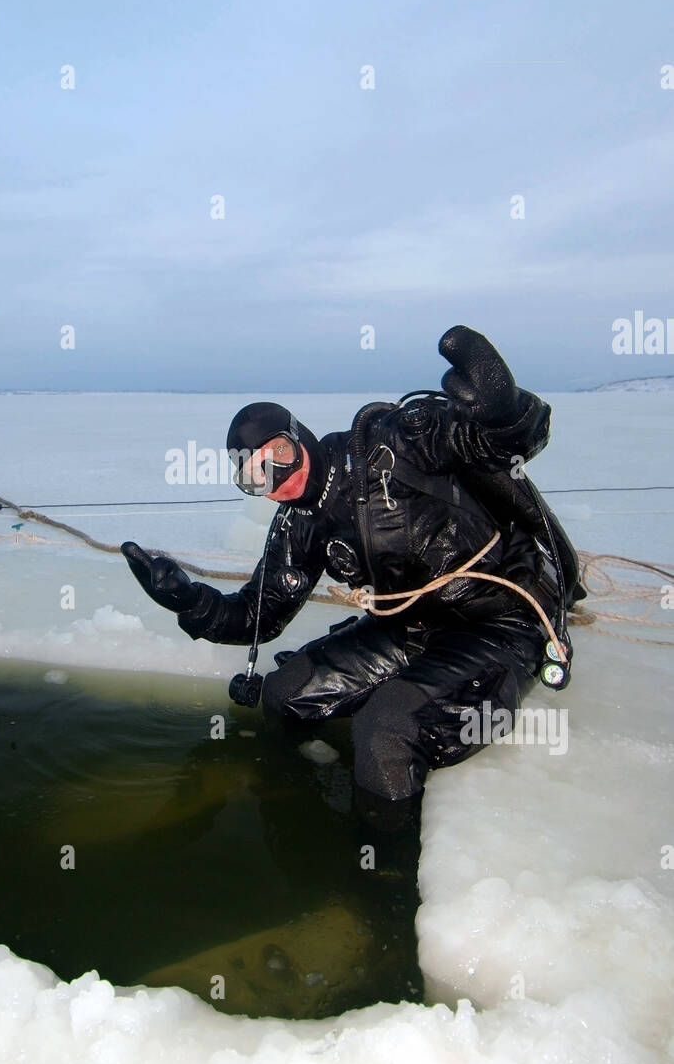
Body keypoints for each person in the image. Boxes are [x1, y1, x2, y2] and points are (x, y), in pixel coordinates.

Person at [122, 326, 583, 823]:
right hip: (411, 627)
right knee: (284, 695)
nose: (276, 479)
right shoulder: (299, 523)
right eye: (255, 476)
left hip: (497, 622)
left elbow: (495, 443)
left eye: (277, 455)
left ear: (298, 434)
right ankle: (307, 806)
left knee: (386, 730)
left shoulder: (394, 444)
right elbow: (260, 615)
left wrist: (503, 408)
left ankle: (381, 876)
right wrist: (189, 601)